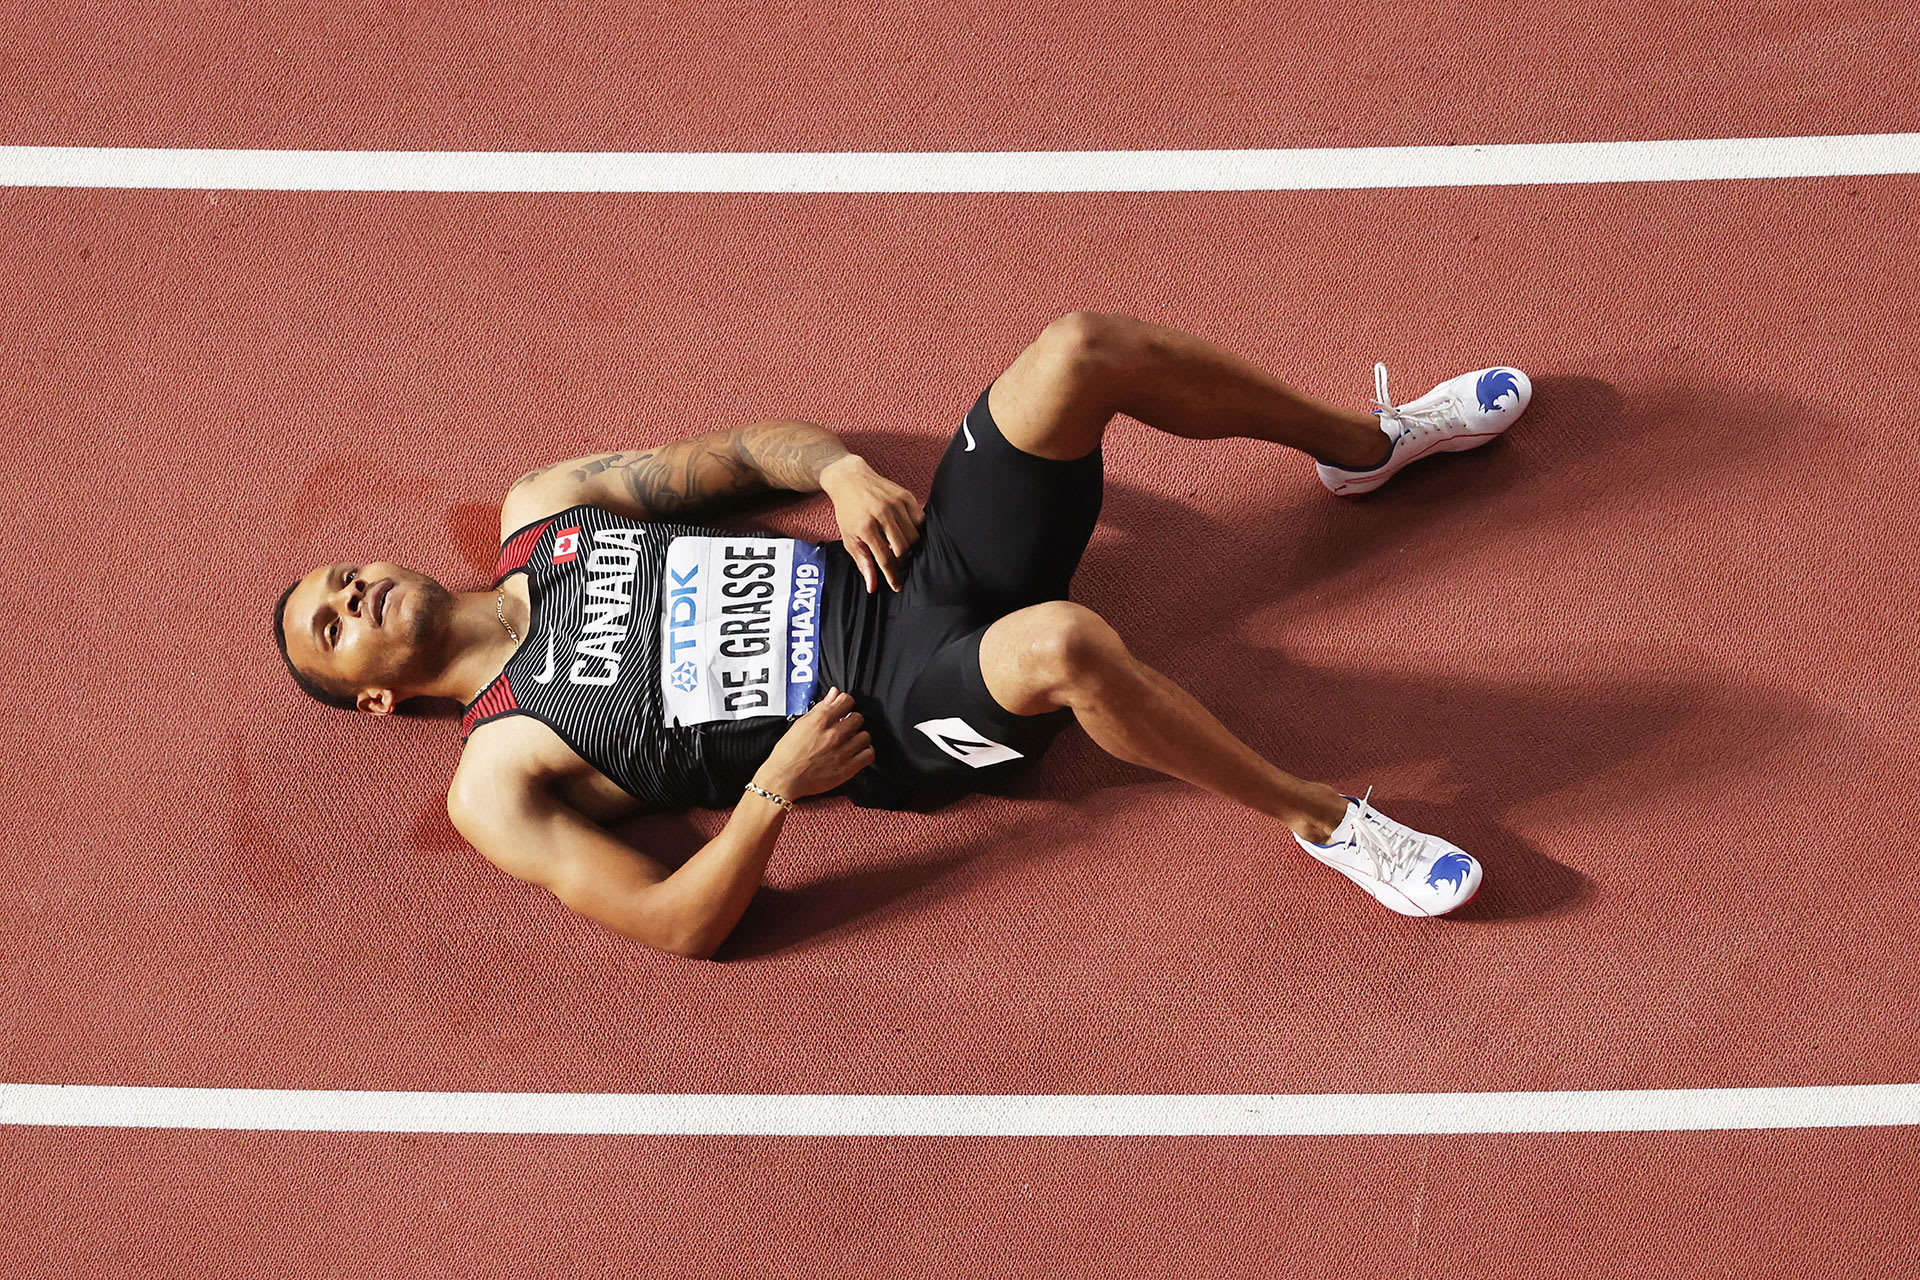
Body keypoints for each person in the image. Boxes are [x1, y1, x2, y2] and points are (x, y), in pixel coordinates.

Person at [273, 311, 1531, 959]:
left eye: (342, 575)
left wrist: (843, 469)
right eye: (335, 626)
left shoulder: (544, 510)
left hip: (910, 566)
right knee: (1066, 645)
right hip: (903, 707)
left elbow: (743, 454)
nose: (355, 594)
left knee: (1076, 351)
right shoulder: (494, 773)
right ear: (376, 696)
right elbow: (671, 922)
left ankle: (1366, 448)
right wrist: (770, 792)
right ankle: (1323, 817)